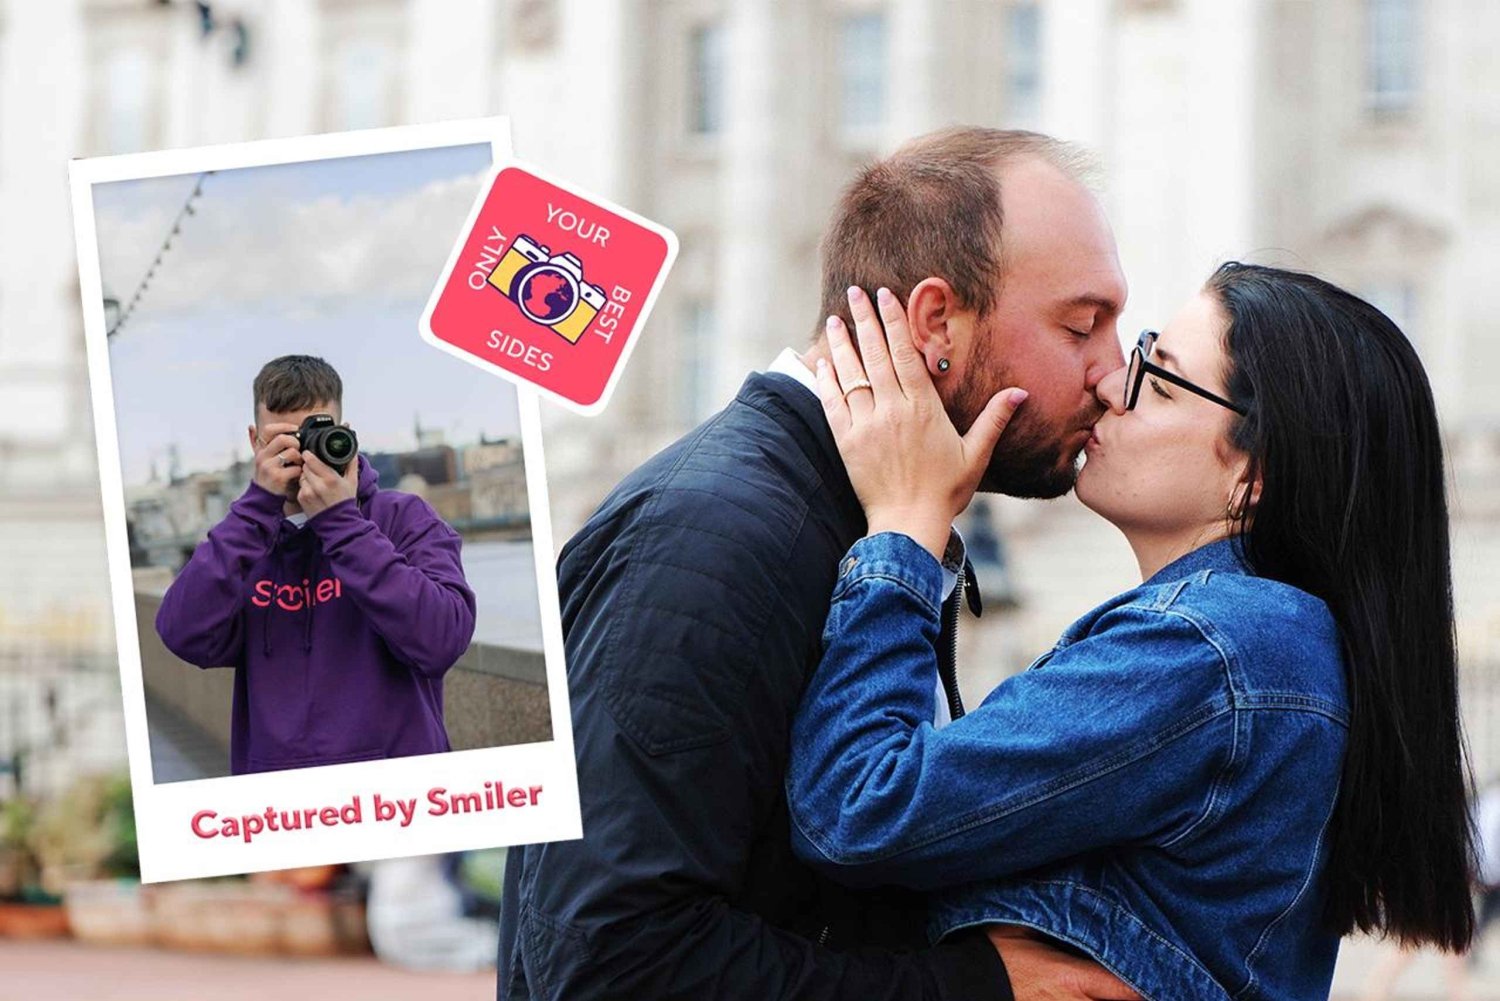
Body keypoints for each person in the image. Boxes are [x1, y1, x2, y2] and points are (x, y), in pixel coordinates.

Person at [498, 128, 1142, 1000]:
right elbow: (610, 961)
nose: (1112, 374)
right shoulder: (715, 538)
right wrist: (973, 988)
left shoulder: (856, 514)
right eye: (1081, 325)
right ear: (935, 322)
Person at [787, 265, 1476, 999]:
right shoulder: (1263, 640)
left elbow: (857, 803)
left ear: (1254, 473)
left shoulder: (1211, 650)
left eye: (1160, 376)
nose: (1113, 386)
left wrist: (905, 524)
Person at [155, 354, 476, 774]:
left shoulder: (404, 519)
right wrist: (256, 509)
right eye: (285, 441)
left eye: (314, 435)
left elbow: (443, 639)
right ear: (255, 442)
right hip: (285, 811)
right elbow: (182, 633)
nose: (305, 455)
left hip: (402, 799)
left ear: (343, 435)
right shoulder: (243, 542)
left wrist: (342, 523)